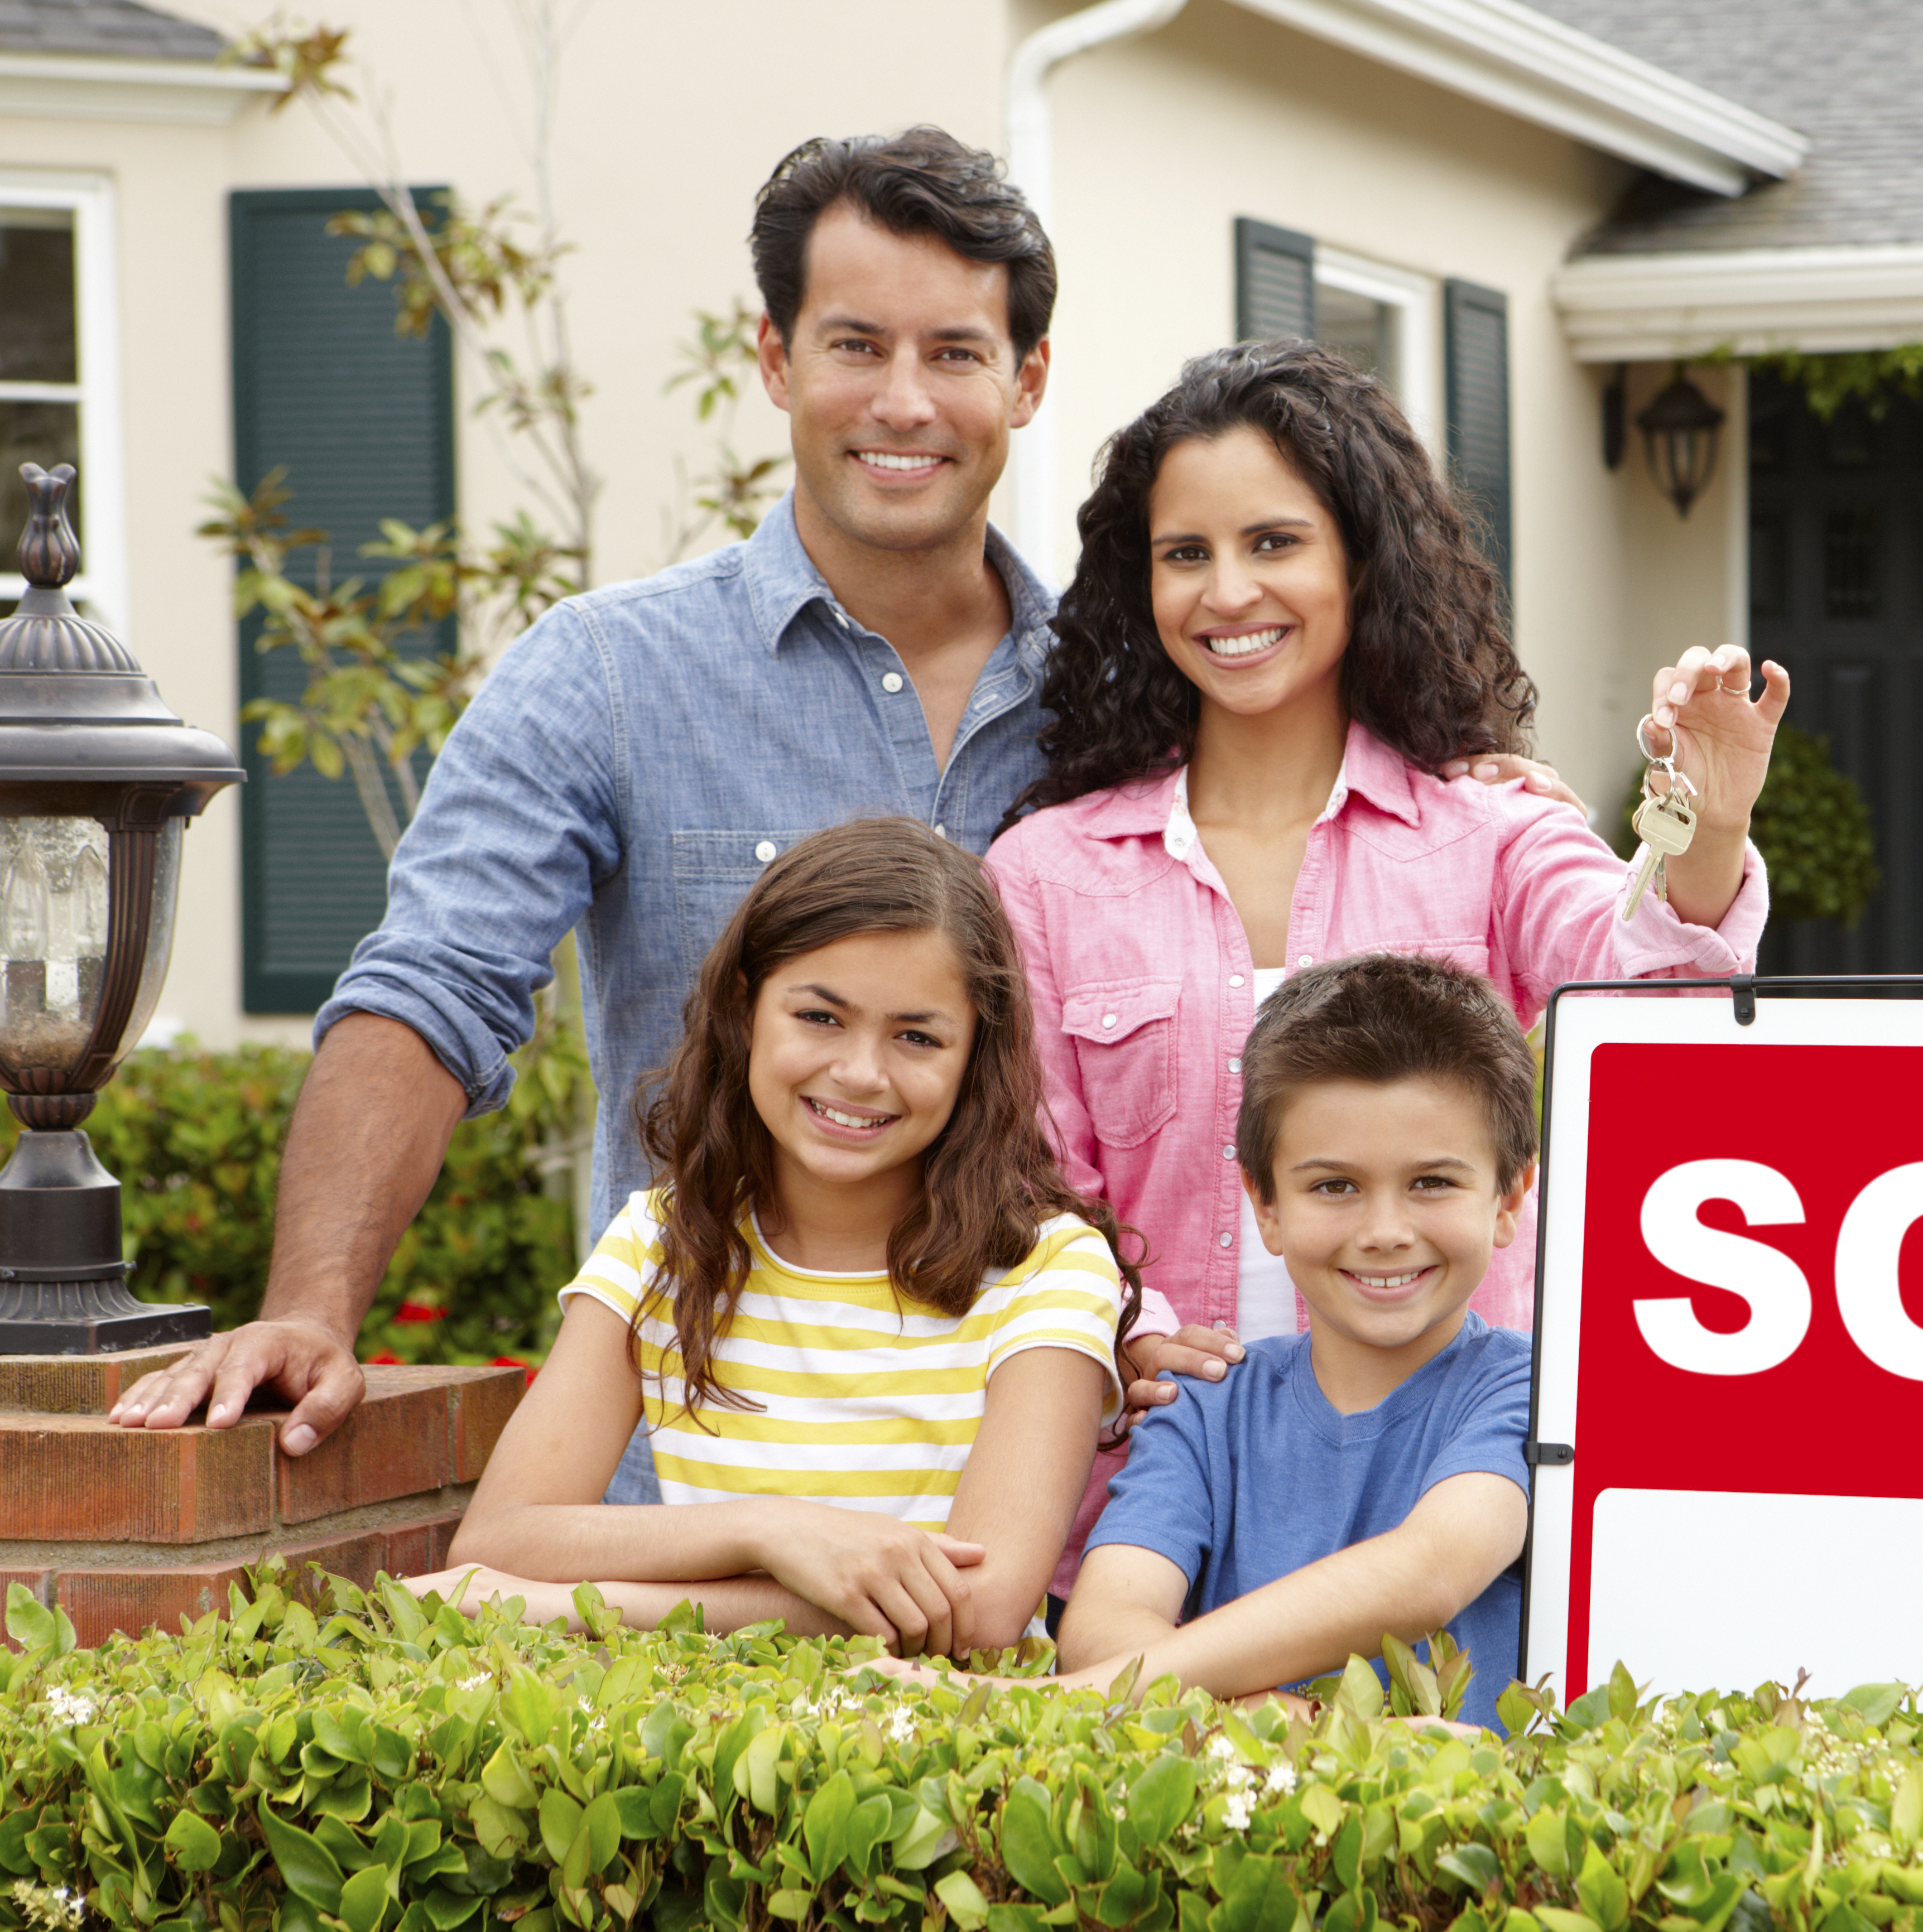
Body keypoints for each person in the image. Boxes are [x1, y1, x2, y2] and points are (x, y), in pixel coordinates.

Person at [107, 130, 1567, 1486]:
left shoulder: (1147, 694)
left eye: (956, 352)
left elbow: (1324, 765)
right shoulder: (607, 676)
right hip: (705, 1493)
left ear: (1031, 378)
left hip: (1049, 1517)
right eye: (856, 345)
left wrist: (1480, 782)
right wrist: (310, 1307)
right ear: (776, 357)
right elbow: (430, 993)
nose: (905, 401)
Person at [983, 340, 1786, 1563]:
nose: (1228, 593)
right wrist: (1114, 1335)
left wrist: (1711, 825)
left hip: (1438, 1499)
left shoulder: (1492, 828)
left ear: (1363, 559)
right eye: (1185, 555)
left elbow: (1656, 993)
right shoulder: (1046, 870)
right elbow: (1028, 1197)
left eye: (1275, 543)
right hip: (1153, 1504)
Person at [410, 819, 1124, 1649]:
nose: (861, 1073)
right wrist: (772, 1532)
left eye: (917, 1037)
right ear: (747, 1009)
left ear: (977, 1056)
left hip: (941, 1753)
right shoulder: (662, 1241)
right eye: (821, 1017)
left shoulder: (1048, 1269)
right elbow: (498, 1540)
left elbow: (979, 1612)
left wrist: (588, 1601)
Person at [1049, 953, 1539, 1727]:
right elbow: (1104, 1627)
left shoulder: (1534, 1391)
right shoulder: (1206, 1399)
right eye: (1334, 1186)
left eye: (1433, 1182)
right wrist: (1259, 1718)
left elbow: (1430, 1571)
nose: (1385, 1232)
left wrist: (1058, 1702)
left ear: (1510, 1198)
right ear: (1266, 1204)